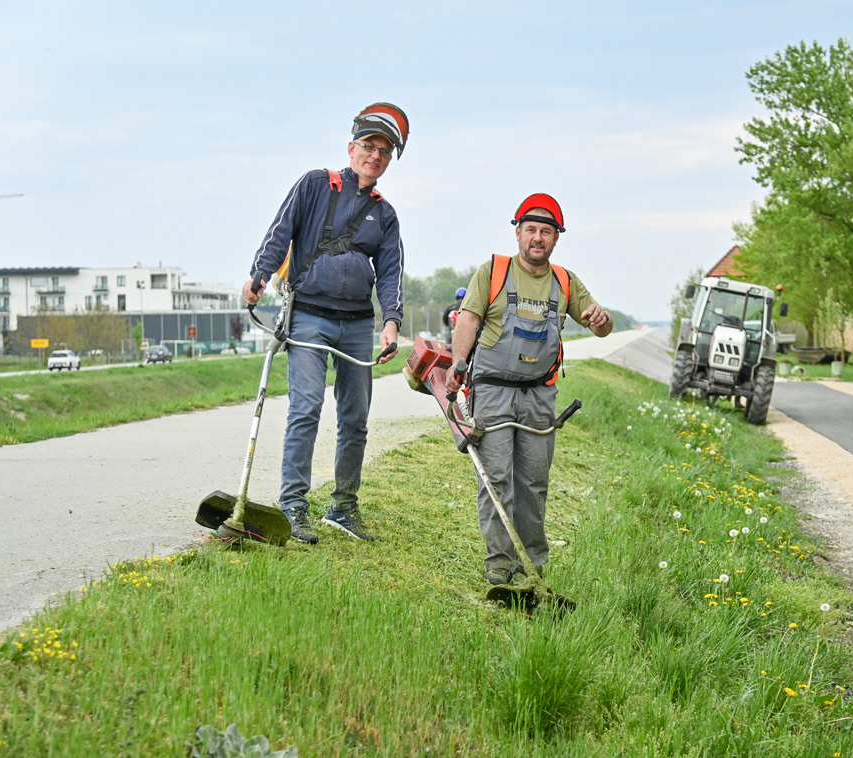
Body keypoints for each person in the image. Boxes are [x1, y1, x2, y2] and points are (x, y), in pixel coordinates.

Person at [242, 102, 409, 543]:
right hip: (309, 319)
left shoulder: (385, 214)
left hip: (357, 325)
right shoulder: (316, 184)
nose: (375, 155)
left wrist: (391, 322)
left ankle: (343, 507)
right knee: (307, 408)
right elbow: (282, 231)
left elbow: (391, 273)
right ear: (351, 147)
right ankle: (293, 505)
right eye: (369, 146)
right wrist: (260, 274)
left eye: (384, 151)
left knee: (355, 418)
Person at [445, 193, 613, 585]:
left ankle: (533, 563)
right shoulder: (493, 271)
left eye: (546, 231)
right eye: (531, 229)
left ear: (556, 238)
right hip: (492, 391)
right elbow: (468, 321)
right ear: (518, 233)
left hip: (540, 395)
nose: (538, 237)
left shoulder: (566, 282)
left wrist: (601, 320)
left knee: (534, 482)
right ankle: (501, 563)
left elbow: (600, 326)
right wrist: (458, 361)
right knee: (496, 478)